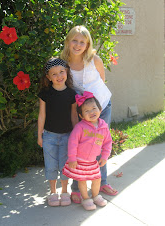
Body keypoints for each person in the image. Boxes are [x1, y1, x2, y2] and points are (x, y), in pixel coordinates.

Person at [60, 25, 118, 203]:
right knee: (81, 147)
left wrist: (96, 107)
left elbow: (102, 80)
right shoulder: (64, 64)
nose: (78, 45)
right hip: (82, 112)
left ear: (87, 45)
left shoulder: (94, 59)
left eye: (82, 42)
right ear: (68, 42)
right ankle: (77, 188)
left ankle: (102, 182)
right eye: (74, 40)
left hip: (102, 106)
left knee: (99, 144)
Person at [37, 57, 78, 207]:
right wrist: (39, 134)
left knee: (65, 165)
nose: (59, 76)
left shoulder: (72, 94)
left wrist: (76, 136)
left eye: (62, 72)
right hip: (49, 136)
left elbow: (74, 115)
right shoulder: (45, 93)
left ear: (66, 72)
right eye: (54, 74)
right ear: (48, 77)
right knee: (51, 165)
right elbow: (42, 115)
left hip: (68, 136)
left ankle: (65, 191)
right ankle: (53, 192)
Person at [63, 91, 112, 210]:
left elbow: (107, 142)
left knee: (97, 179)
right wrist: (72, 158)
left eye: (94, 108)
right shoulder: (80, 127)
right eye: (87, 111)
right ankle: (86, 199)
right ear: (81, 116)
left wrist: (105, 156)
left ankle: (95, 196)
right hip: (79, 160)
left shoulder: (103, 127)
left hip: (93, 161)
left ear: (100, 110)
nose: (91, 112)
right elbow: (72, 142)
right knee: (82, 180)